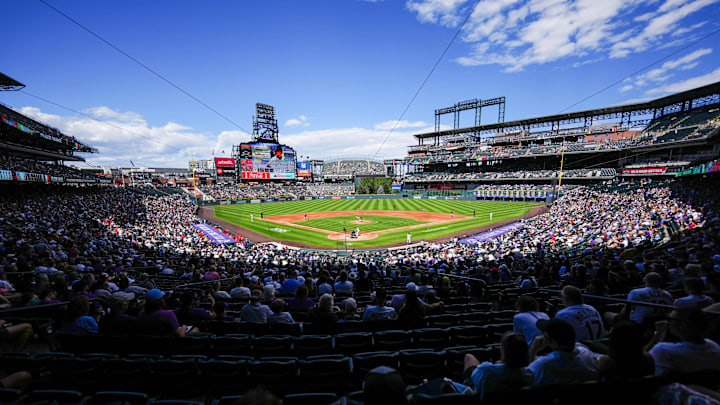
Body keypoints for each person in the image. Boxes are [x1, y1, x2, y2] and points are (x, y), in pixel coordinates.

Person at [647, 307, 720, 375]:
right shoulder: (714, 346)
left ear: (683, 325)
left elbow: (642, 359)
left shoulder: (662, 349)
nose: (667, 322)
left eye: (670, 319)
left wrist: (658, 334)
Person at [527, 318, 598, 386]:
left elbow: (525, 377)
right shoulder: (587, 354)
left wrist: (533, 349)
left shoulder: (543, 364)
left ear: (548, 339)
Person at [463, 332, 534, 399]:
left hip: (475, 393)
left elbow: (473, 378)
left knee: (468, 357)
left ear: (503, 350)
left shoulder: (487, 370)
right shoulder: (530, 375)